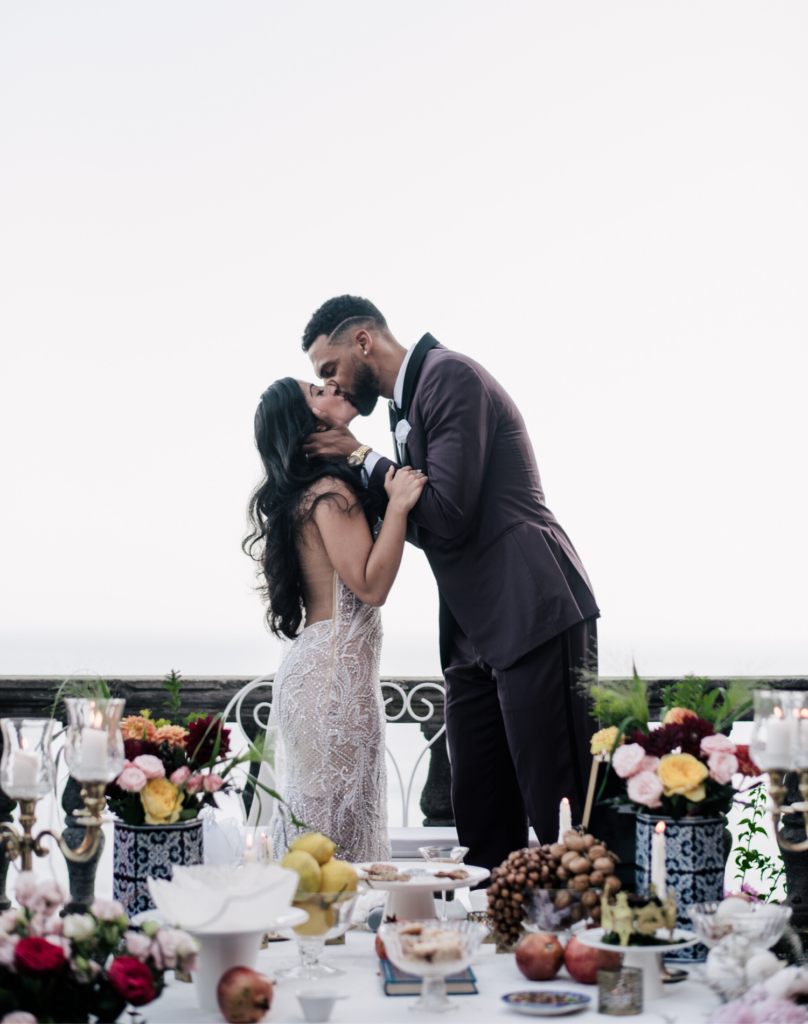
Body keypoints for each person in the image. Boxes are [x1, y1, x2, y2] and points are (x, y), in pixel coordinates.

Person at [300, 295, 600, 871]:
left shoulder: (449, 376)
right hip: (471, 631)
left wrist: (364, 457)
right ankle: (493, 943)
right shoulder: (404, 407)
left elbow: (449, 511)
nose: (332, 384)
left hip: (529, 604)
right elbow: (421, 515)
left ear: (363, 341)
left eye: (329, 368)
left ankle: (588, 941)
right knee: (481, 811)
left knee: (561, 805)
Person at [243, 376, 427, 862]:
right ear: (308, 423)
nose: (329, 385)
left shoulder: (318, 490)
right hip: (332, 683)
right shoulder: (328, 493)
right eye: (314, 391)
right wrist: (400, 508)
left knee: (327, 836)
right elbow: (370, 586)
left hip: (326, 673)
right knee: (330, 845)